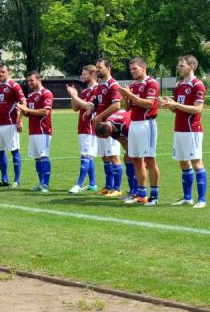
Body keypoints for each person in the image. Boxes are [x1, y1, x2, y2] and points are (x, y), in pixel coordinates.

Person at [161, 55, 206, 208]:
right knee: (183, 162)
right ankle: (187, 197)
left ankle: (201, 199)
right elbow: (177, 109)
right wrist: (170, 105)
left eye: (182, 65)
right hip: (179, 129)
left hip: (192, 130)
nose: (179, 68)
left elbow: (198, 109)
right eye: (179, 65)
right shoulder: (179, 85)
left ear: (191, 66)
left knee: (196, 162)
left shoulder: (198, 85)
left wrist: (176, 105)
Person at [117, 58, 160, 205]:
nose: (133, 71)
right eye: (131, 69)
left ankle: (154, 195)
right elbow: (128, 108)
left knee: (149, 159)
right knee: (135, 159)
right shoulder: (134, 85)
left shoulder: (151, 83)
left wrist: (131, 95)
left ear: (143, 68)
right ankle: (141, 194)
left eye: (135, 68)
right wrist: (126, 96)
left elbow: (149, 103)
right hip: (134, 124)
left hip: (146, 124)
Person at [90, 58, 123, 197]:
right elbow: (96, 102)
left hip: (110, 126)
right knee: (104, 156)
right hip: (100, 126)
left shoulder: (113, 84)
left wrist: (99, 116)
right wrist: (91, 110)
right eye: (96, 67)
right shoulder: (99, 86)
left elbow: (116, 105)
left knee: (113, 155)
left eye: (100, 67)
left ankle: (117, 188)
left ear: (108, 68)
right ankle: (108, 186)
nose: (97, 70)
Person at [17, 71, 54, 193]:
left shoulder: (46, 93)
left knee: (44, 156)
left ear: (39, 79)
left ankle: (46, 184)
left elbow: (45, 112)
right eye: (28, 81)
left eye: (31, 80)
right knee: (37, 158)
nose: (29, 83)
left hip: (43, 131)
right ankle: (41, 182)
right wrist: (22, 111)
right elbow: (28, 113)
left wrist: (27, 109)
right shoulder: (31, 95)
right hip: (33, 131)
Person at [0, 63, 26, 188]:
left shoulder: (14, 86)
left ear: (8, 72)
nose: (0, 74)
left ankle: (17, 180)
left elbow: (23, 102)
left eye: (3, 72)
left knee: (14, 151)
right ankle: (4, 179)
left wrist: (20, 120)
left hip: (11, 124)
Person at [66, 65, 98, 194]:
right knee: (88, 155)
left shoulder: (97, 89)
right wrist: (73, 96)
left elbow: (89, 107)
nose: (82, 76)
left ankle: (78, 184)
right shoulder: (85, 91)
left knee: (85, 155)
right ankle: (93, 184)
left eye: (84, 74)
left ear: (92, 74)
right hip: (82, 127)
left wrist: (76, 96)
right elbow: (75, 108)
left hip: (90, 128)